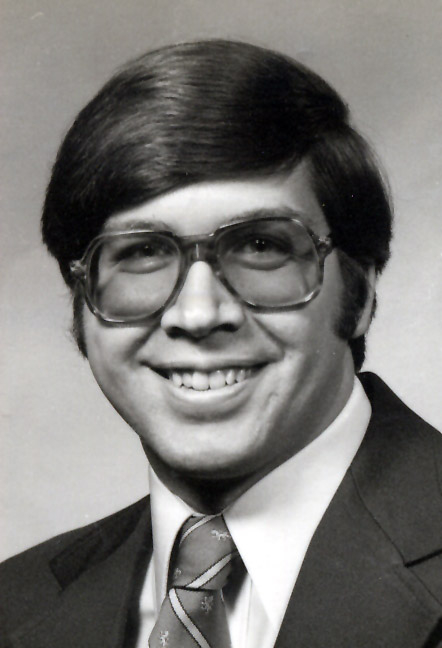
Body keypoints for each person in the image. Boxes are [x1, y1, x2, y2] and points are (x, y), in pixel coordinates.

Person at [1, 39, 441, 648]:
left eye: (262, 246)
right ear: (82, 305)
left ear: (359, 294)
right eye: (143, 252)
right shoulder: (14, 606)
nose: (198, 313)